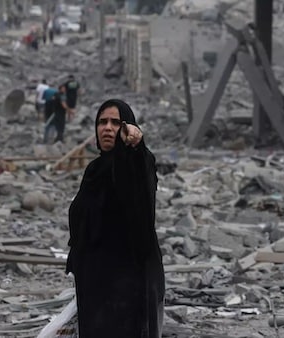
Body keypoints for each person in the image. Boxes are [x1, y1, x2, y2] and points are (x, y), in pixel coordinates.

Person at [66, 99, 164, 338]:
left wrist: (137, 145)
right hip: (96, 280)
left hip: (129, 279)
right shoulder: (94, 169)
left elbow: (139, 178)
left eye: (116, 122)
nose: (107, 128)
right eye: (102, 122)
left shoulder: (136, 162)